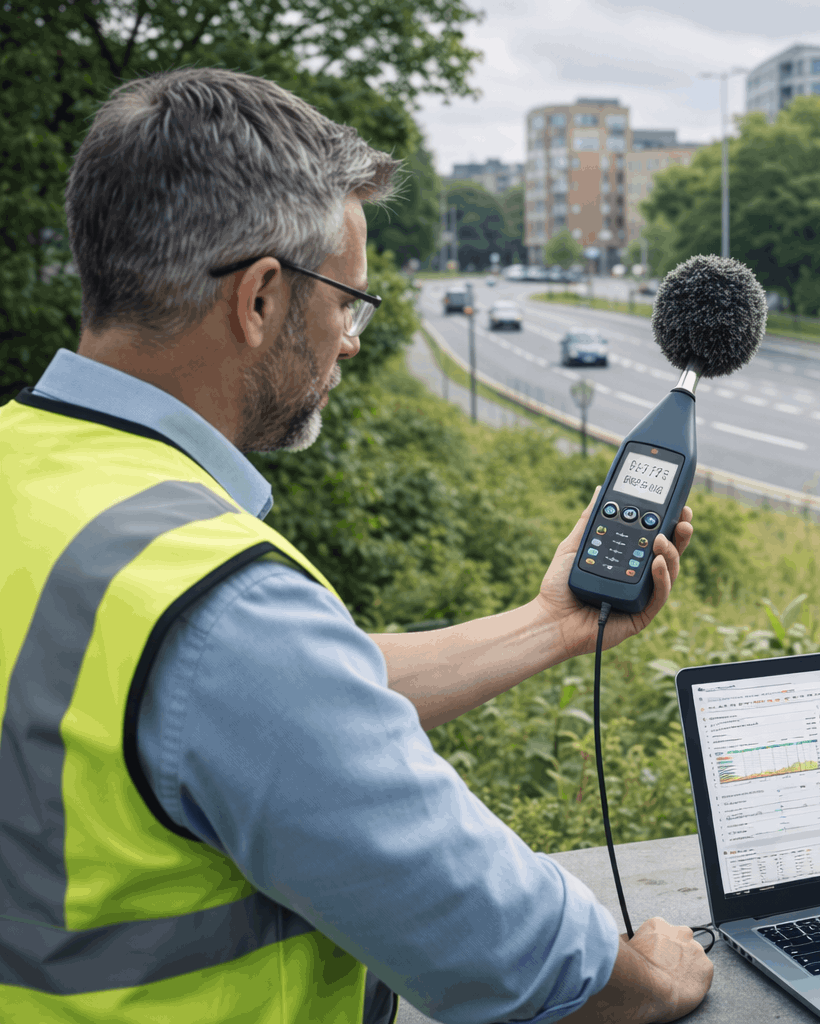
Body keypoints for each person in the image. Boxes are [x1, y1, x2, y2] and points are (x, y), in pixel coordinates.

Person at [0, 69, 711, 1023]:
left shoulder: (39, 476)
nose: (352, 341)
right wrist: (654, 979)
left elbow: (270, 697)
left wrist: (551, 624)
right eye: (348, 300)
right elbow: (504, 948)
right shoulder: (221, 606)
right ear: (258, 300)